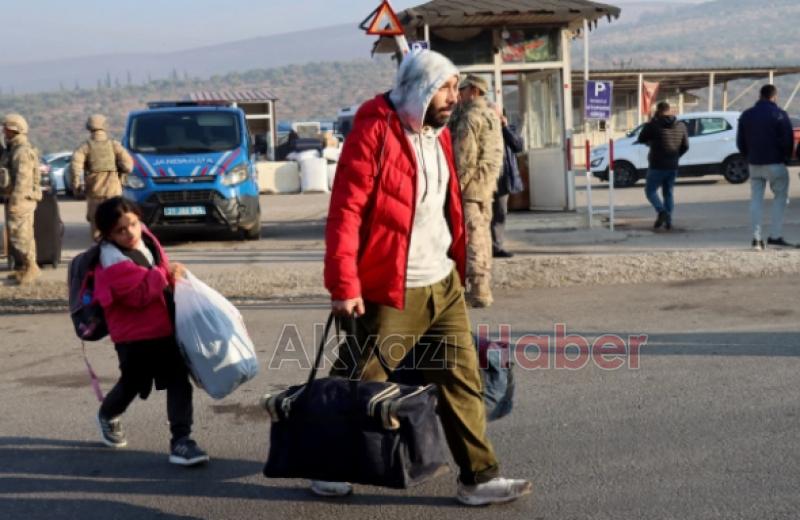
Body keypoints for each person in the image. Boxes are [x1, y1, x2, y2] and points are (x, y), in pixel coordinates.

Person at [322, 49, 531, 506]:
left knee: (462, 379)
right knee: (362, 381)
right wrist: (344, 284)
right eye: (445, 88)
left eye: (456, 87)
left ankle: (477, 477)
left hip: (442, 282)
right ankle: (327, 465)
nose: (453, 97)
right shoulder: (374, 129)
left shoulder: (437, 134)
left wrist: (458, 267)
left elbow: (443, 205)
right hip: (391, 287)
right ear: (419, 87)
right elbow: (346, 212)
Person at [92, 196, 208, 467]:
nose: (130, 233)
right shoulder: (110, 262)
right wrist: (165, 272)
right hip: (134, 339)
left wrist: (168, 273)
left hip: (165, 330)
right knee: (133, 384)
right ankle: (108, 414)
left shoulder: (147, 240)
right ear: (108, 234)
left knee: (179, 380)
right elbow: (139, 296)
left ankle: (182, 440)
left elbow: (160, 271)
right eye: (120, 230)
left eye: (132, 223)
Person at [450, 74, 504, 307]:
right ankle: (482, 285)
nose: (458, 94)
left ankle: (479, 288)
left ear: (473, 90)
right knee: (482, 236)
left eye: (461, 90)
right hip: (486, 185)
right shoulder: (491, 115)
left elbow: (464, 159)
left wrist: (454, 189)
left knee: (472, 238)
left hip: (471, 188)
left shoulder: (470, 118)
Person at [736, 84, 795, 250]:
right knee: (780, 198)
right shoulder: (780, 115)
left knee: (756, 200)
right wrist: (785, 158)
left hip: (754, 164)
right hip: (775, 163)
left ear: (759, 95)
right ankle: (775, 236)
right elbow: (788, 140)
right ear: (774, 97)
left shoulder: (746, 115)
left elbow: (740, 142)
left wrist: (748, 157)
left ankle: (756, 239)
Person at [71, 114, 134, 240]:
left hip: (95, 192)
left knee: (97, 225)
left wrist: (76, 186)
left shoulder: (85, 147)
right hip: (114, 191)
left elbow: (75, 167)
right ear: (104, 126)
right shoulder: (114, 145)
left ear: (89, 127)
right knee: (116, 221)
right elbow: (128, 166)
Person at [1, 113, 42, 285]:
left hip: (21, 199)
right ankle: (26, 267)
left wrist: (15, 203)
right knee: (23, 234)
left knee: (21, 235)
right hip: (16, 198)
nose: (4, 132)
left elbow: (23, 181)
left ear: (13, 130)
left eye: (6, 129)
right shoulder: (13, 149)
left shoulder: (22, 151)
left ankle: (31, 267)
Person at [636, 101, 689, 230]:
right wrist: (675, 156)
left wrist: (651, 122)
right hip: (672, 165)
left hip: (656, 165)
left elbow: (641, 138)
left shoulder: (653, 125)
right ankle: (668, 221)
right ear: (669, 110)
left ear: (658, 111)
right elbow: (686, 146)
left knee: (650, 191)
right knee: (668, 193)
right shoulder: (681, 125)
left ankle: (662, 212)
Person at [491, 107, 524, 258]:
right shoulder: (484, 128)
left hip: (502, 178)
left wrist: (504, 127)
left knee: (500, 213)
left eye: (496, 114)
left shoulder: (509, 129)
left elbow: (518, 146)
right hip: (485, 177)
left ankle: (497, 247)